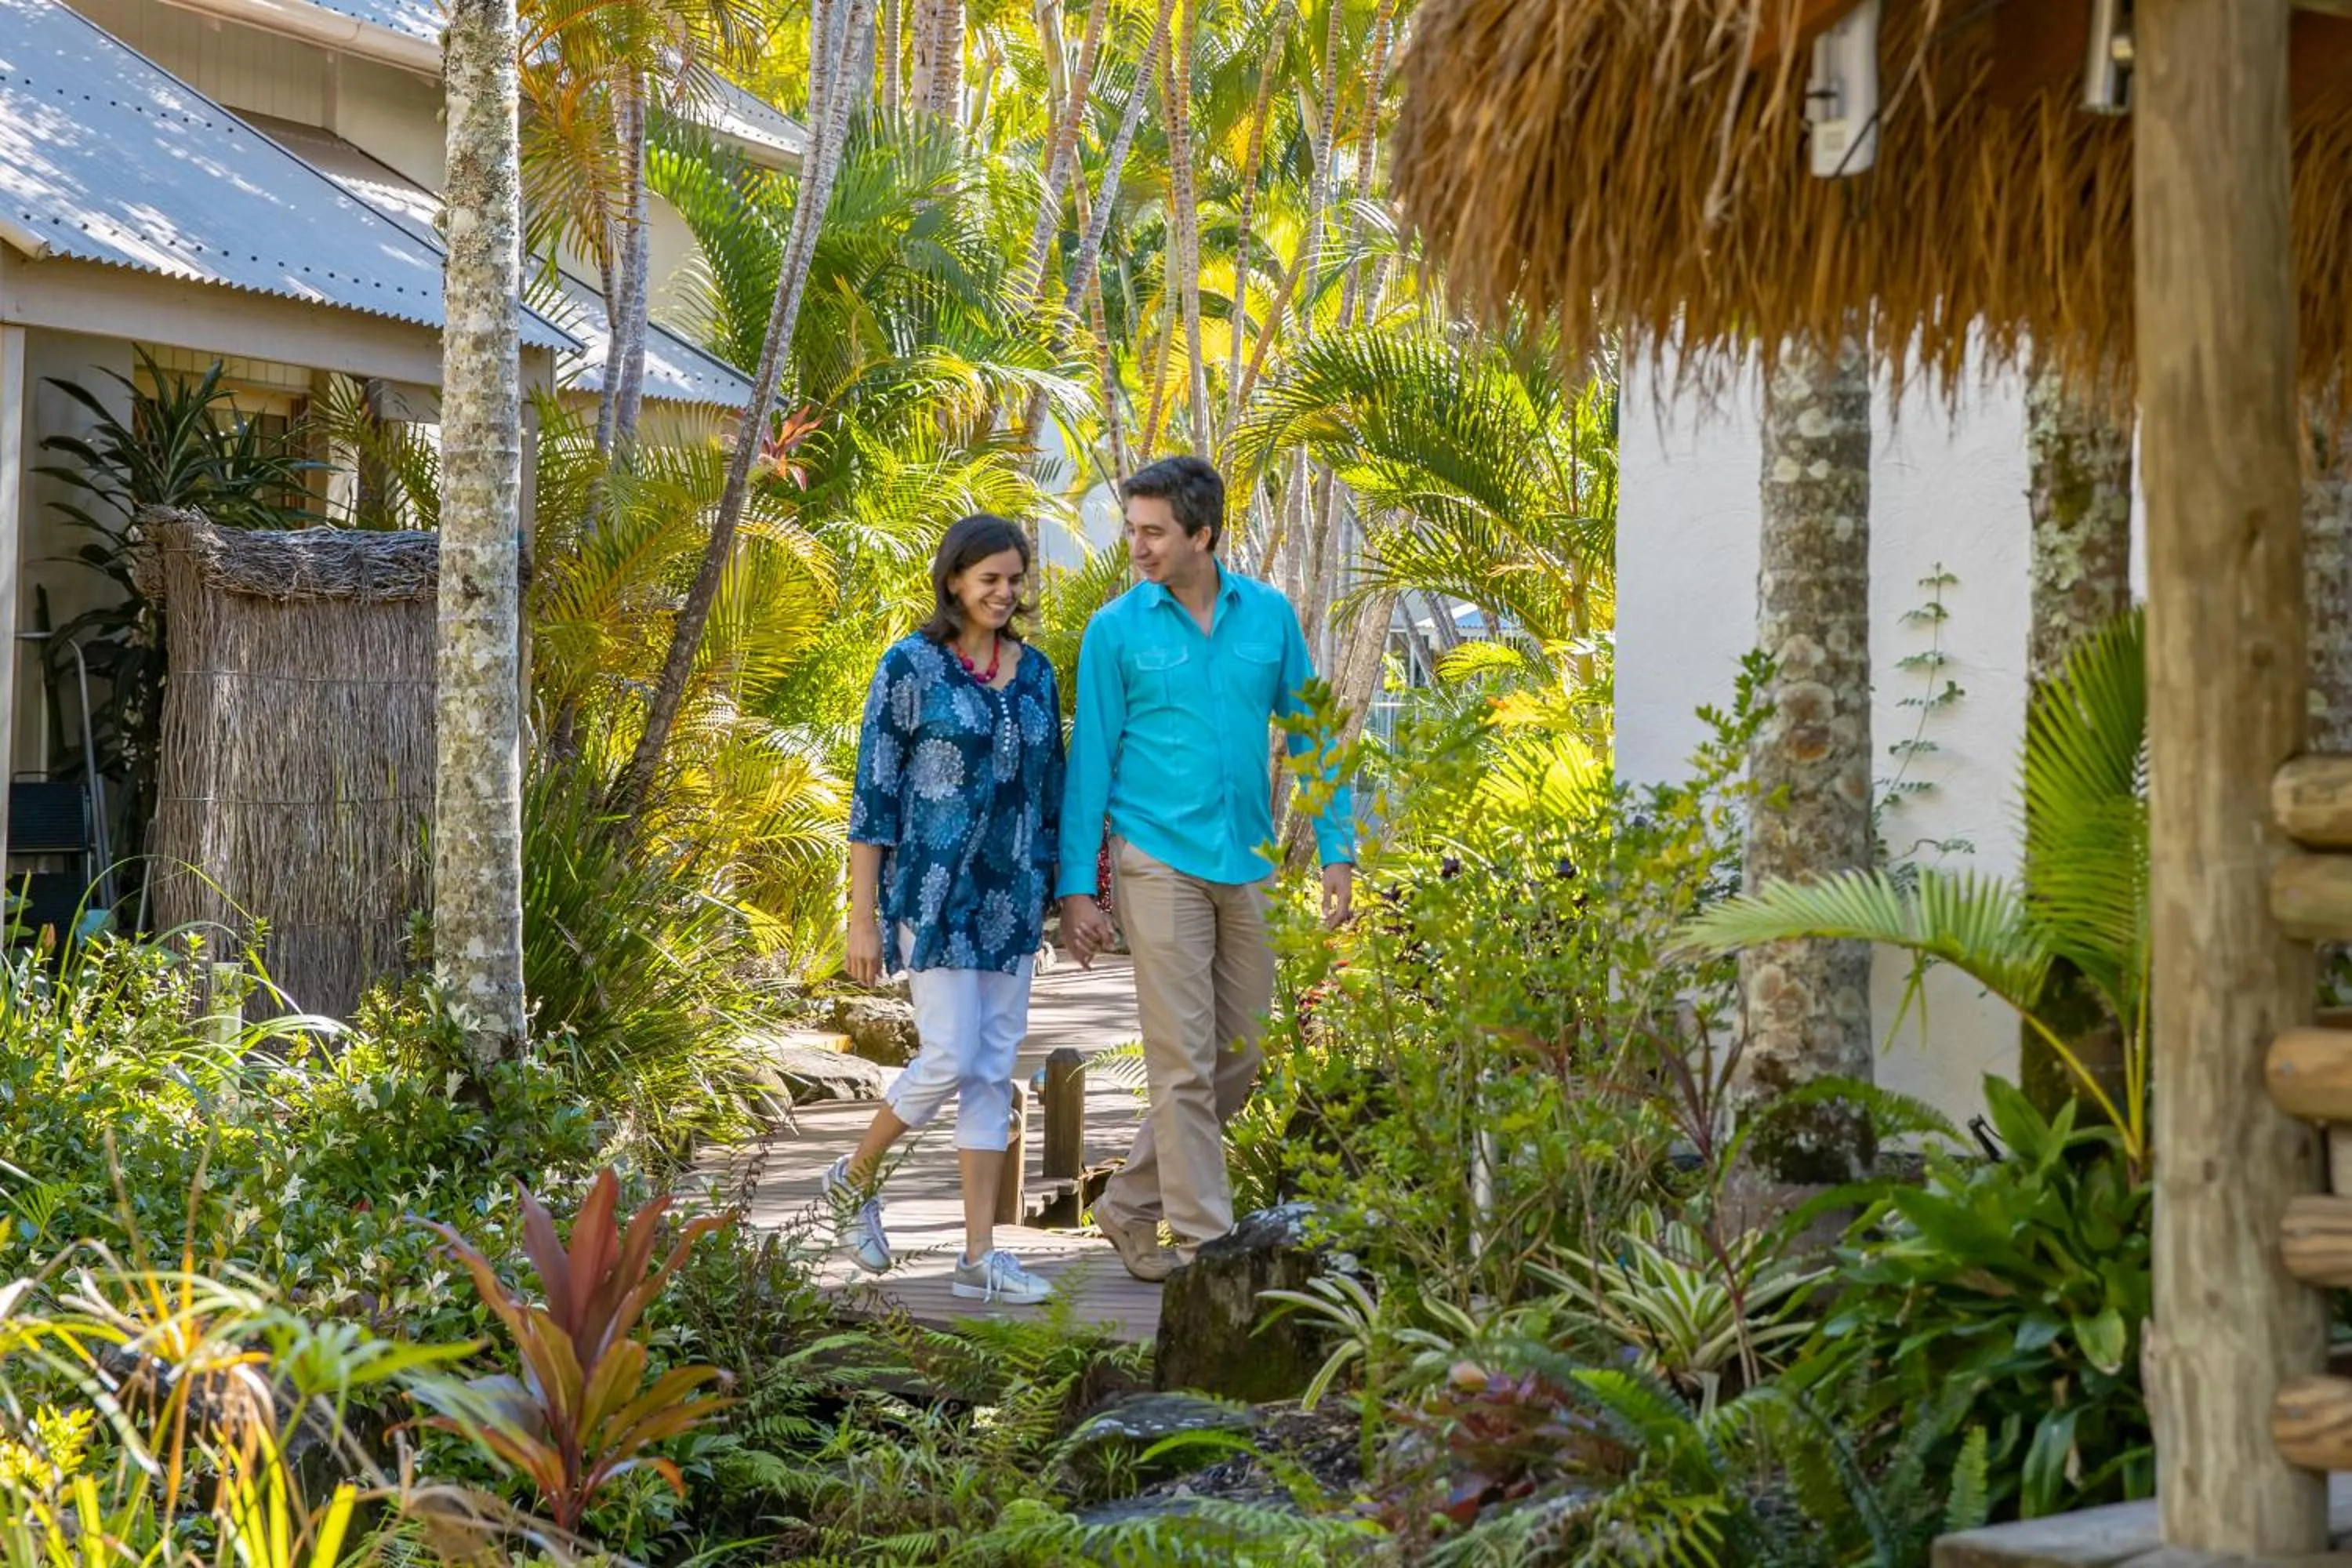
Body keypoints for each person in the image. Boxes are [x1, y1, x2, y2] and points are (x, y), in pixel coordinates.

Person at [1058, 455, 1355, 1283]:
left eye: (1154, 531)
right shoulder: (1115, 629)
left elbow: (1313, 733)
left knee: (1239, 1055)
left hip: (1248, 859)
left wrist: (1338, 846)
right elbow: (1091, 762)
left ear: (1203, 534)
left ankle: (1126, 1201)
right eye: (1134, 529)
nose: (1139, 546)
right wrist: (1077, 883)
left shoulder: (1268, 617)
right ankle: (1206, 1245)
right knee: (1183, 1057)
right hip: (1156, 857)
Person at [829, 514, 1065, 1305]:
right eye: (988, 577)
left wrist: (1066, 896)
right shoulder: (910, 666)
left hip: (1011, 897)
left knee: (994, 1068)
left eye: (1013, 578)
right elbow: (873, 799)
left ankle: (976, 1257)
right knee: (951, 1055)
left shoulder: (1035, 674)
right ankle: (851, 1177)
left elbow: (1050, 792)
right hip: (929, 896)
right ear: (954, 579)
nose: (1003, 591)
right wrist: (861, 918)